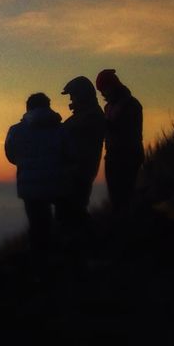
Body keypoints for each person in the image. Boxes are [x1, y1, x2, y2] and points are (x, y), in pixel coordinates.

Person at [4, 93, 70, 262]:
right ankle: (65, 261)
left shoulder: (16, 130)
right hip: (58, 182)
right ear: (48, 106)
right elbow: (70, 153)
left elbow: (11, 155)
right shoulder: (62, 129)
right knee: (63, 223)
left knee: (37, 226)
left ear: (28, 109)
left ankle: (40, 267)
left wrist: (25, 164)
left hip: (30, 185)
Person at [58, 75, 106, 234]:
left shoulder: (90, 117)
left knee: (73, 214)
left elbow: (66, 135)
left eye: (73, 95)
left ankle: (82, 251)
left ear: (82, 95)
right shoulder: (85, 115)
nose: (71, 100)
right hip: (75, 173)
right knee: (71, 213)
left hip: (78, 173)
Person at [96, 68, 144, 212]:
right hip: (112, 155)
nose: (103, 93)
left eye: (104, 89)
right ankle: (121, 226)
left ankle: (127, 227)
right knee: (116, 198)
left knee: (125, 197)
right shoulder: (108, 107)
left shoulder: (131, 104)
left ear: (113, 86)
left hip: (129, 155)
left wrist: (104, 124)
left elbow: (128, 130)